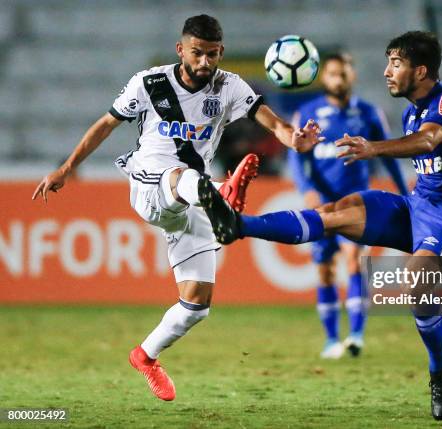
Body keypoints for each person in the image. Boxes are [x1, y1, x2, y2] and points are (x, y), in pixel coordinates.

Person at [32, 14, 321, 402]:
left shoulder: (230, 87)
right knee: (185, 177)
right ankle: (223, 192)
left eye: (213, 55)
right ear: (180, 49)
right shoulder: (148, 83)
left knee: (196, 304)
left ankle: (145, 356)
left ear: (221, 53)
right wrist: (68, 169)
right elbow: (106, 123)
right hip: (151, 185)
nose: (205, 62)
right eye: (198, 53)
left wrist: (295, 139)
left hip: (191, 196)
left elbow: (274, 124)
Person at [199, 31, 442, 421]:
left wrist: (373, 147)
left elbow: (428, 141)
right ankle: (237, 224)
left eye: (396, 64)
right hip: (418, 206)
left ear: (421, 70)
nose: (386, 72)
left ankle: (440, 372)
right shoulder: (409, 110)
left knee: (417, 277)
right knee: (338, 212)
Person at [287, 53, 409, 359]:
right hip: (324, 205)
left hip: (356, 200)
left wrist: (405, 192)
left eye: (343, 74)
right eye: (332, 74)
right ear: (323, 78)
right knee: (325, 271)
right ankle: (331, 340)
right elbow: (296, 157)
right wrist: (307, 190)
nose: (338, 79)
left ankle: (355, 335)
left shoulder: (369, 113)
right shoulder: (308, 112)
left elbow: (389, 154)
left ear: (352, 76)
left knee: (354, 261)